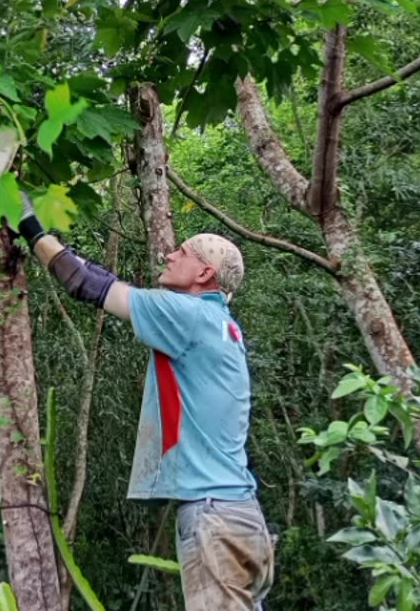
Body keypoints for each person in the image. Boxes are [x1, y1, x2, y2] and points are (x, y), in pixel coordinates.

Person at [16, 196, 274, 611]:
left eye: (184, 252)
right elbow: (106, 278)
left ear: (205, 273)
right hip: (240, 516)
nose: (170, 254)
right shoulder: (219, 323)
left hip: (214, 518)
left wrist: (30, 226)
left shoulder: (188, 316)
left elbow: (86, 283)